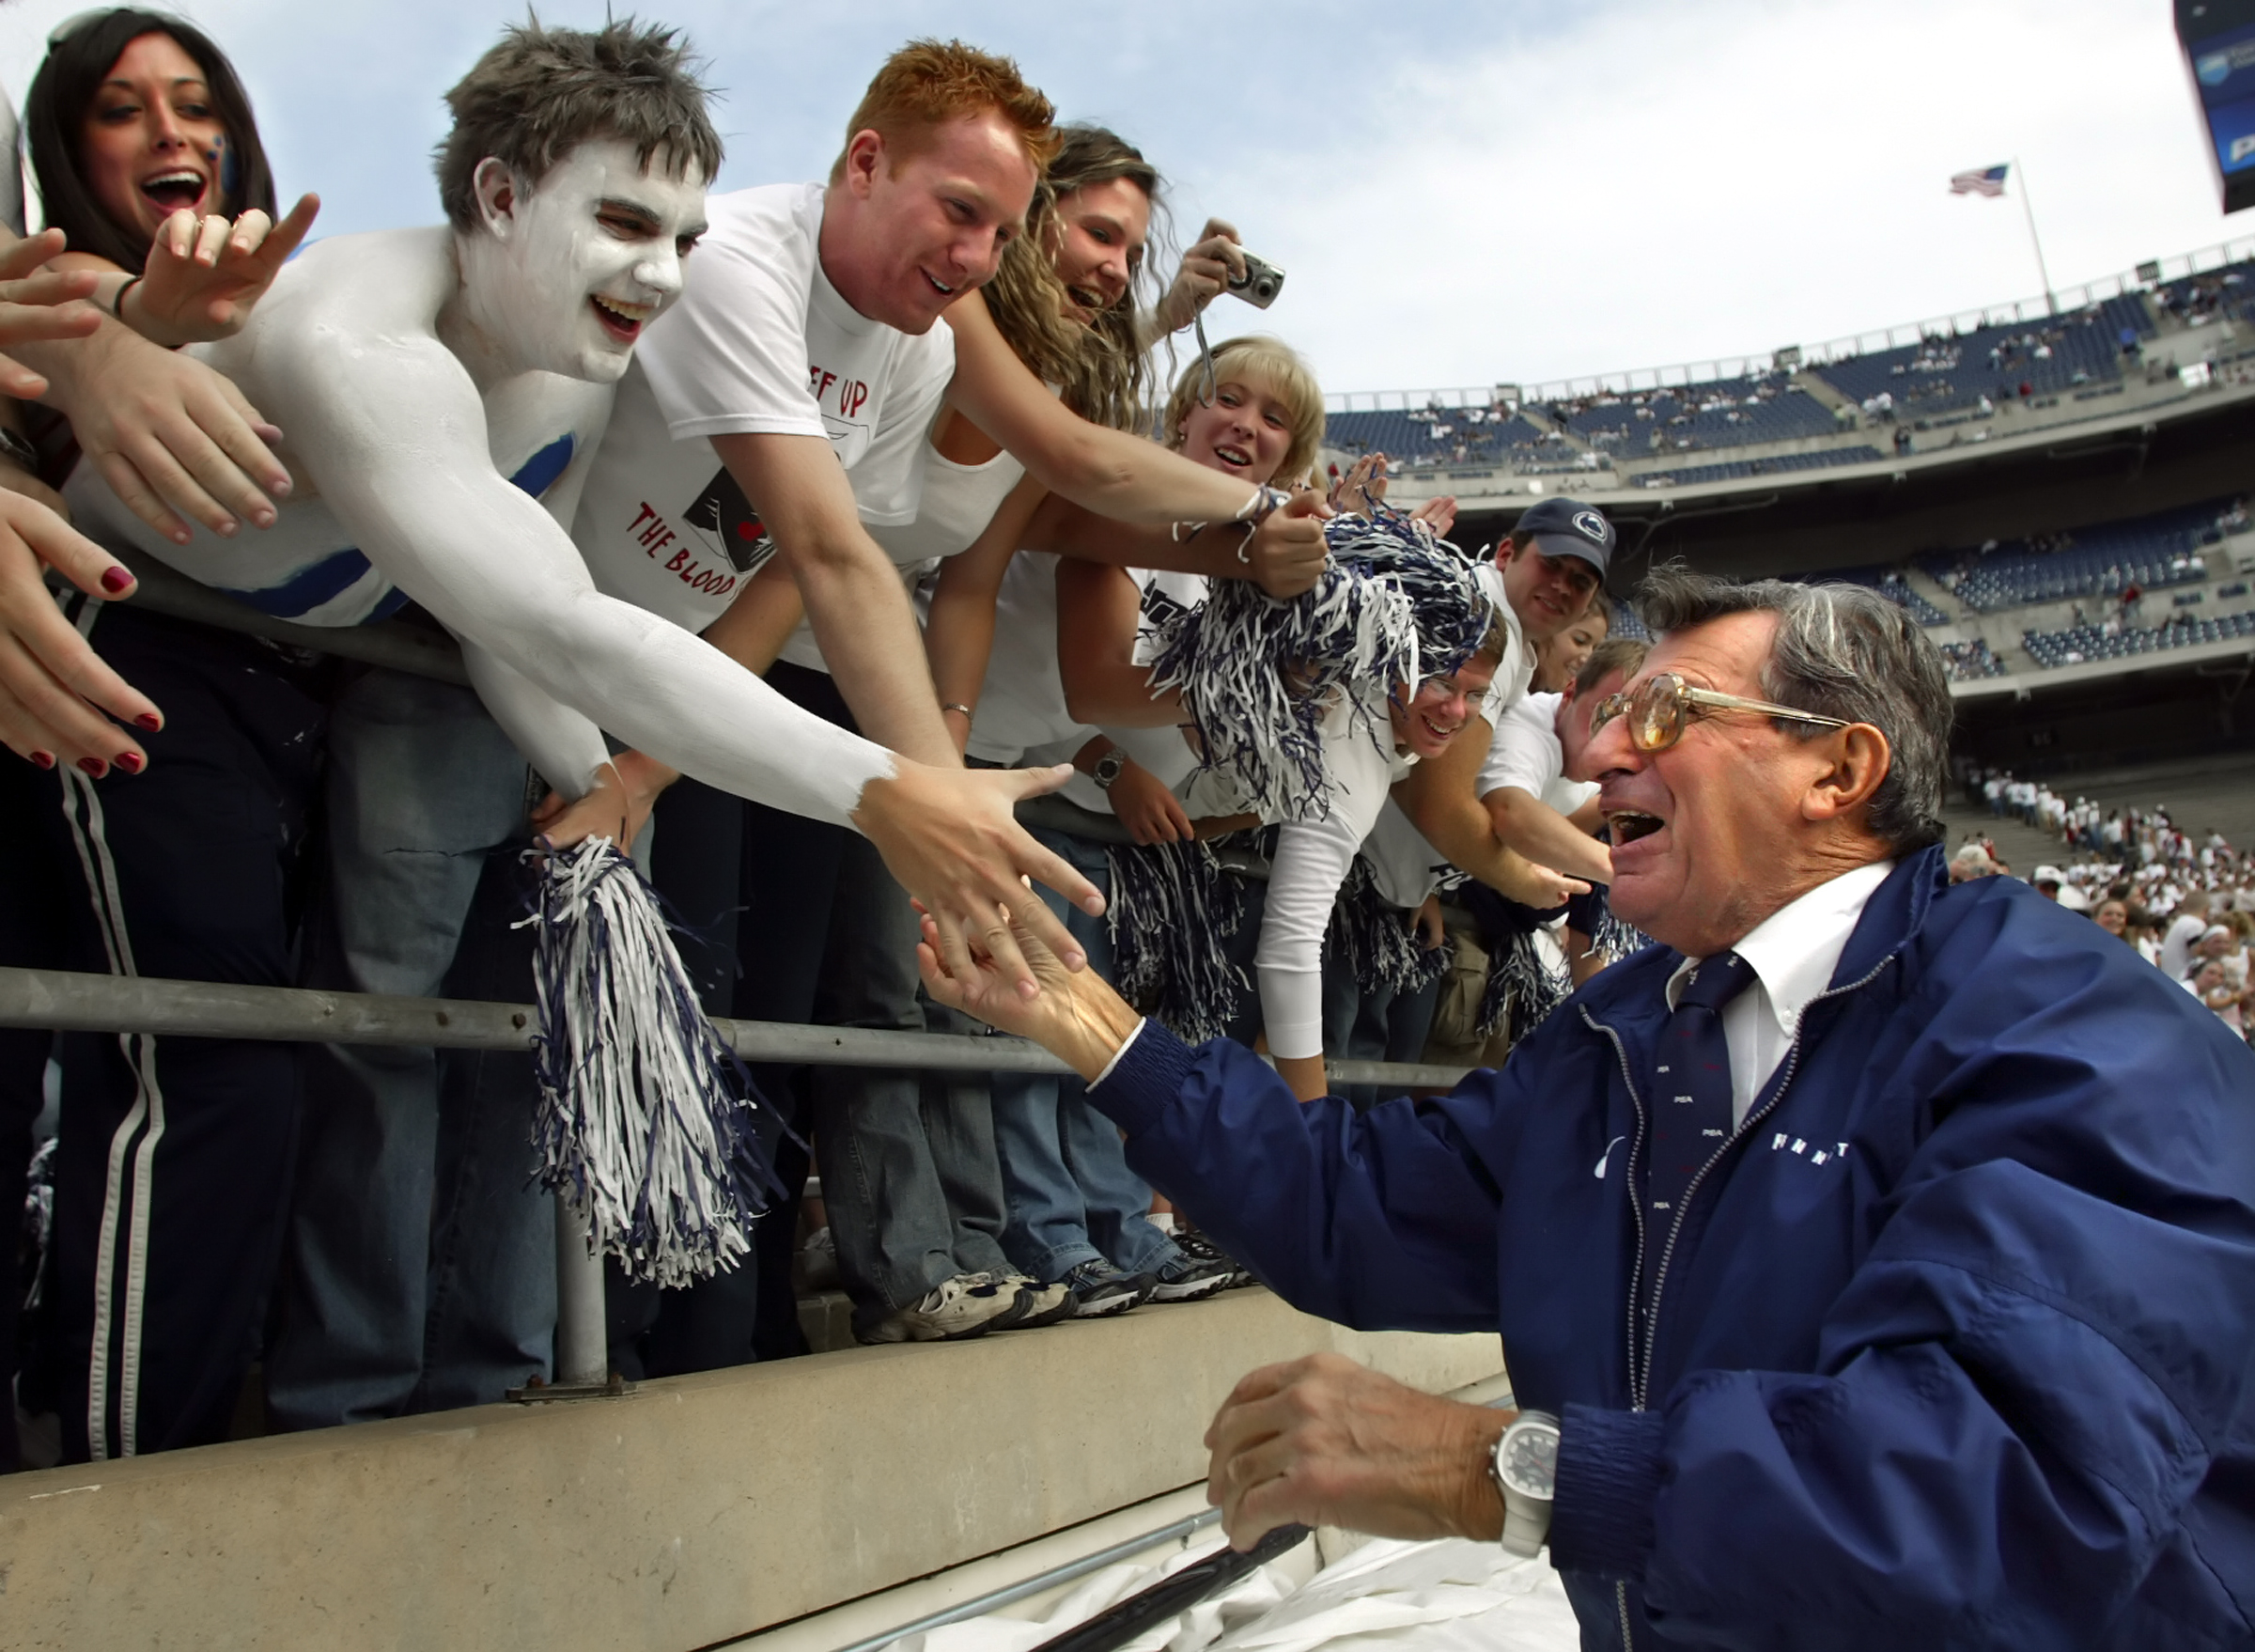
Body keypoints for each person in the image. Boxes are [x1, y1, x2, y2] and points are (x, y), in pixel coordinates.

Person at [922, 569, 2255, 1649]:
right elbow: (1357, 1202)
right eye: (1605, 713)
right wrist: (1093, 1025)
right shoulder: (1625, 1039)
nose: (1598, 746)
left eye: (1665, 714)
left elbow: (1994, 1503)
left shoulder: (2071, 1030)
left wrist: (1488, 1467)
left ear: (1838, 772)